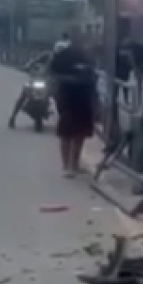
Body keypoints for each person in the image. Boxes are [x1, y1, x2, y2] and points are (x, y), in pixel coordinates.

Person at [48, 29, 97, 176]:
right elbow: (52, 72)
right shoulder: (62, 55)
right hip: (68, 95)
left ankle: (75, 163)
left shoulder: (88, 55)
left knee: (81, 132)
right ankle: (66, 166)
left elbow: (94, 73)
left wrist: (95, 97)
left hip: (85, 94)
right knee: (66, 132)